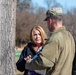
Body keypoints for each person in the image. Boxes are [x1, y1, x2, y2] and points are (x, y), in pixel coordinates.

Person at [25, 7, 75, 75]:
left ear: (50, 21)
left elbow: (43, 62)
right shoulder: (69, 36)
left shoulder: (55, 38)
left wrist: (28, 63)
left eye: (47, 21)